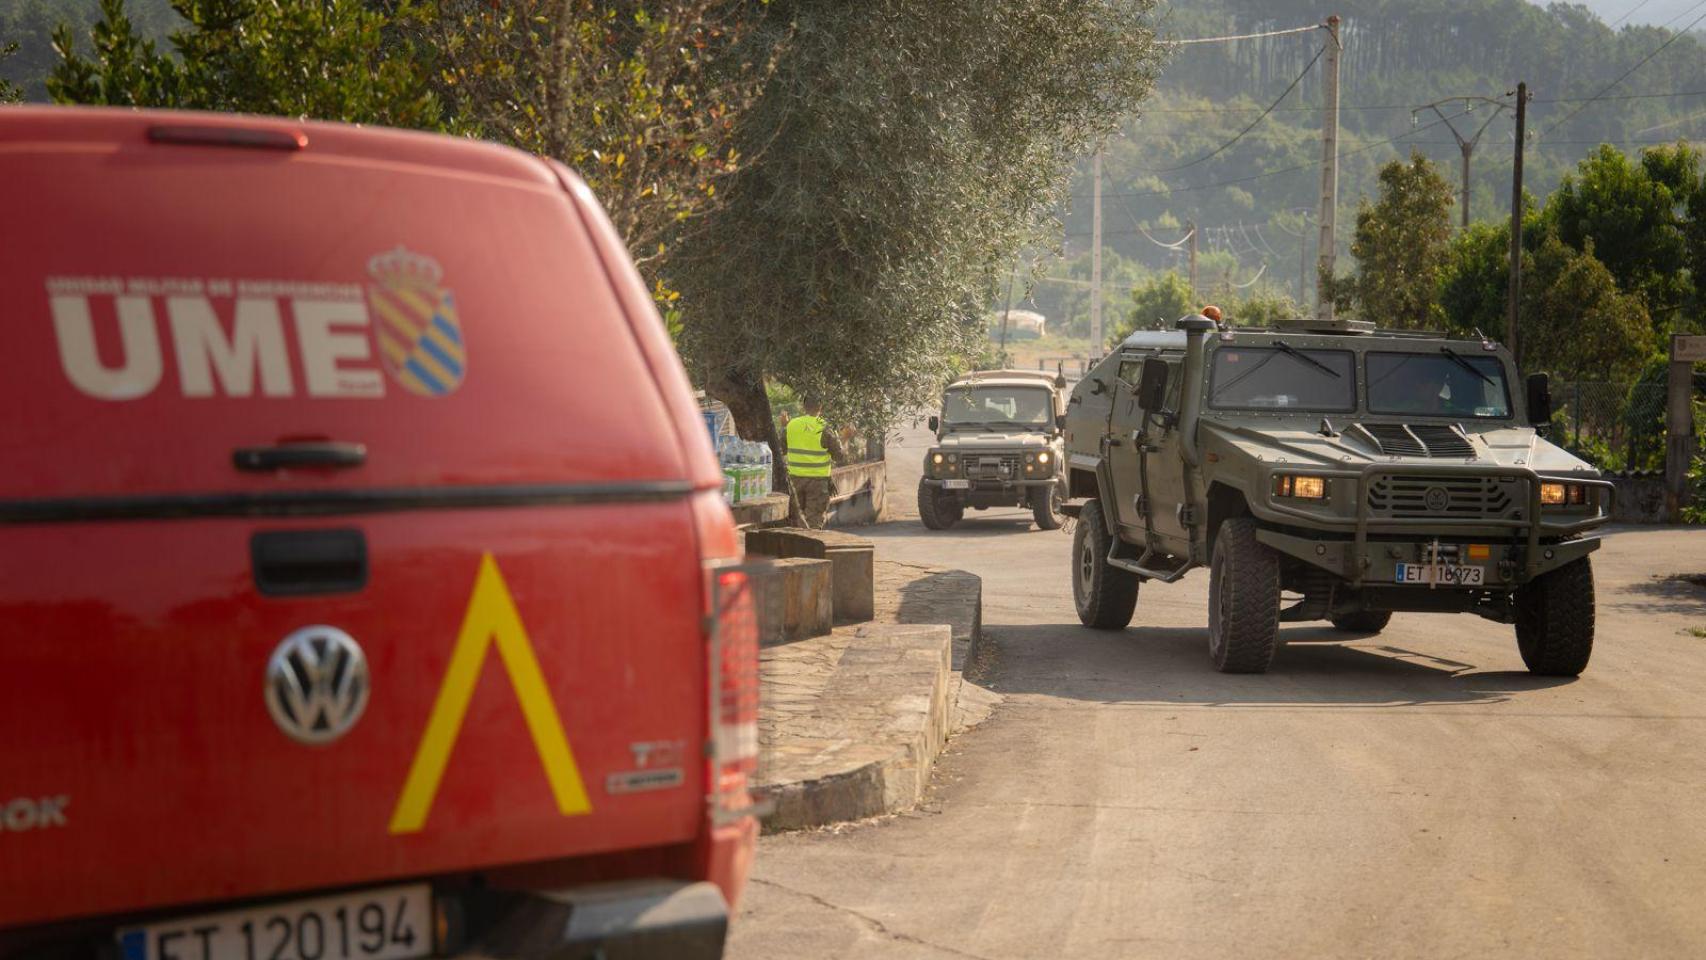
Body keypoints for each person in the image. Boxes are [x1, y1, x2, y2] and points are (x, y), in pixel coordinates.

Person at [786, 400, 845, 529]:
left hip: (795, 480)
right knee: (813, 522)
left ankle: (795, 547)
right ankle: (808, 548)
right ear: (821, 407)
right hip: (817, 482)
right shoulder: (825, 427)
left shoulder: (791, 425)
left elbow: (782, 447)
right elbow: (839, 456)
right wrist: (844, 438)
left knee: (795, 521)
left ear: (803, 406)